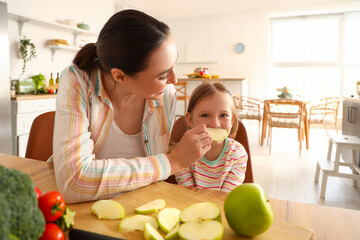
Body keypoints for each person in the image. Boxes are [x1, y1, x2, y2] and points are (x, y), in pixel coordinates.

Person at [52, 10, 213, 203]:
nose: (174, 80)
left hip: (142, 202)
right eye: (162, 75)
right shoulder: (77, 81)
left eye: (173, 66)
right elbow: (74, 182)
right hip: (83, 207)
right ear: (120, 76)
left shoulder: (165, 94)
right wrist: (171, 162)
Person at [174, 83, 248, 192]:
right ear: (190, 120)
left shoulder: (237, 153)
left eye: (223, 115)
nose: (215, 124)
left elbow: (225, 196)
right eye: (205, 115)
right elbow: (187, 191)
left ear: (232, 120)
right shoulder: (185, 150)